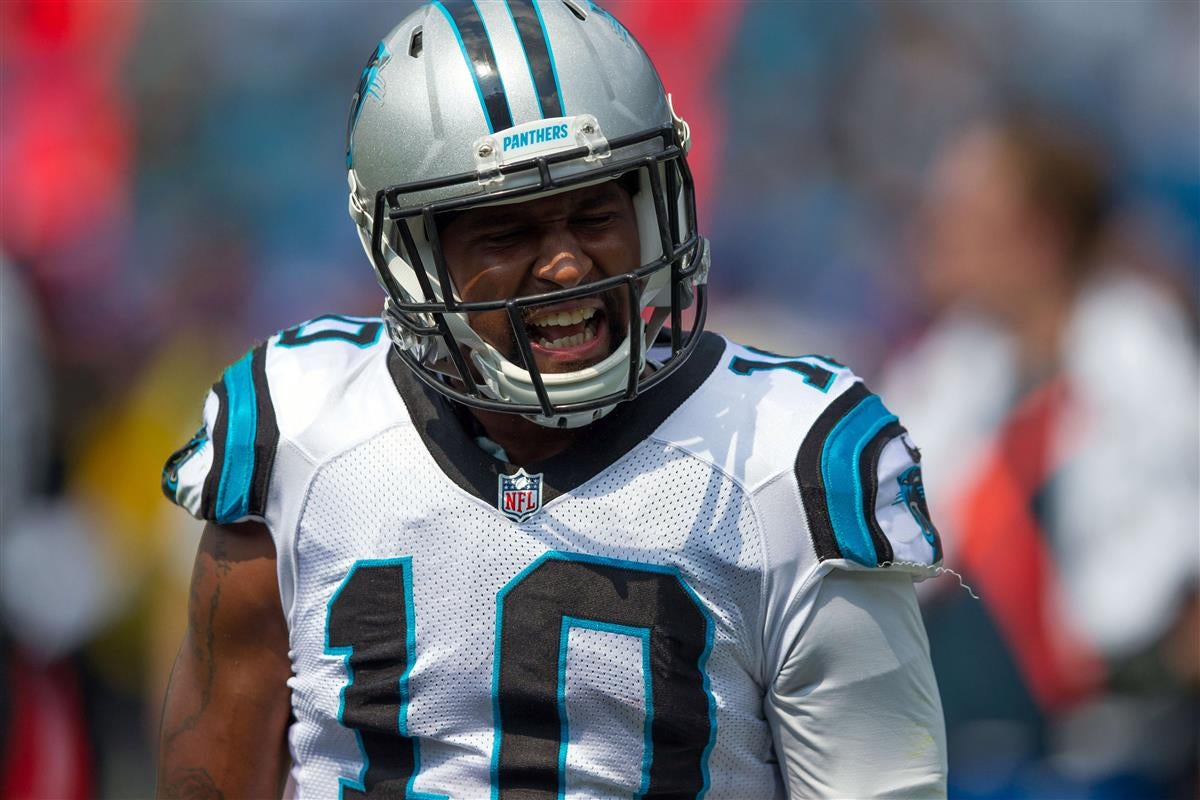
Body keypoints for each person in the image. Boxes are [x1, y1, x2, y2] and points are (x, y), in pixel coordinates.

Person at [156, 3, 946, 797]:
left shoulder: (792, 456)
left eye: (597, 211)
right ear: (408, 254)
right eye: (505, 232)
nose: (566, 265)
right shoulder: (297, 429)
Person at [881, 116, 1199, 796]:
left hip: (1110, 766)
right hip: (957, 762)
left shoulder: (1152, 369)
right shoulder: (949, 373)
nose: (935, 234)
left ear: (1039, 236)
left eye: (965, 214)